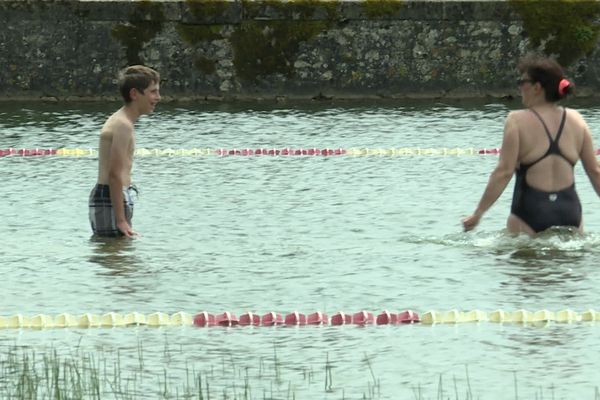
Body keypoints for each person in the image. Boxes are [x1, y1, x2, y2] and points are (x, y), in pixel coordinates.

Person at [462, 55, 600, 235]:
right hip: (570, 213)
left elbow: (503, 173)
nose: (519, 88)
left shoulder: (516, 121)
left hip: (529, 213)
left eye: (522, 82)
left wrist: (477, 214)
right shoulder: (577, 120)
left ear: (537, 87)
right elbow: (595, 171)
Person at [88, 65, 161, 237]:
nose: (158, 97)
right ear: (135, 94)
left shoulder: (122, 121)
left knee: (119, 256)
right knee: (115, 257)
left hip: (114, 196)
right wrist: (120, 220)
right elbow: (114, 173)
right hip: (111, 197)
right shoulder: (123, 125)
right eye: (153, 92)